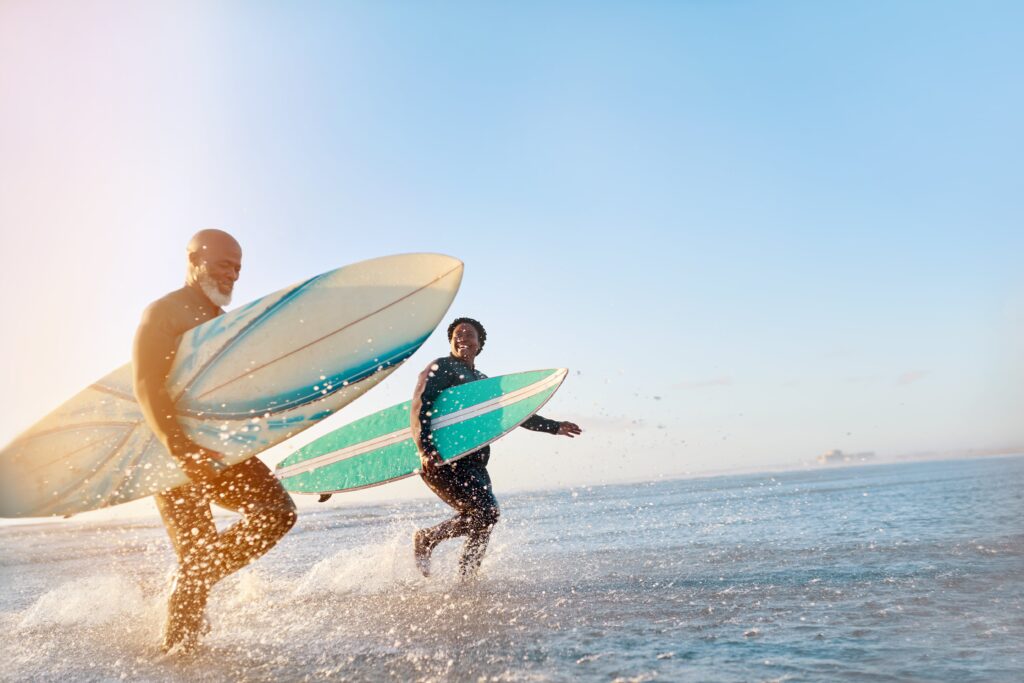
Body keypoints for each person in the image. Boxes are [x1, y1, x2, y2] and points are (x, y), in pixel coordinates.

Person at [132, 229, 297, 654]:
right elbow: (147, 384)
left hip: (220, 447)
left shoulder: (222, 321)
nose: (233, 274)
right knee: (197, 554)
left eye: (238, 268)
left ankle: (190, 582)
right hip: (173, 454)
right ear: (194, 258)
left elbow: (232, 398)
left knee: (277, 513)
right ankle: (178, 657)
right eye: (225, 264)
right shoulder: (164, 312)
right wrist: (179, 449)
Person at [411, 317, 582, 578]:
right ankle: (427, 538)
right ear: (451, 342)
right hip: (443, 459)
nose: (462, 338)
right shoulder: (441, 367)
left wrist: (553, 426)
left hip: (475, 463)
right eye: (457, 335)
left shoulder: (482, 381)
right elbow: (420, 405)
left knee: (483, 522)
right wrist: (425, 448)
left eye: (469, 335)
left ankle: (467, 578)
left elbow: (514, 414)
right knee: (487, 512)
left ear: (480, 344)